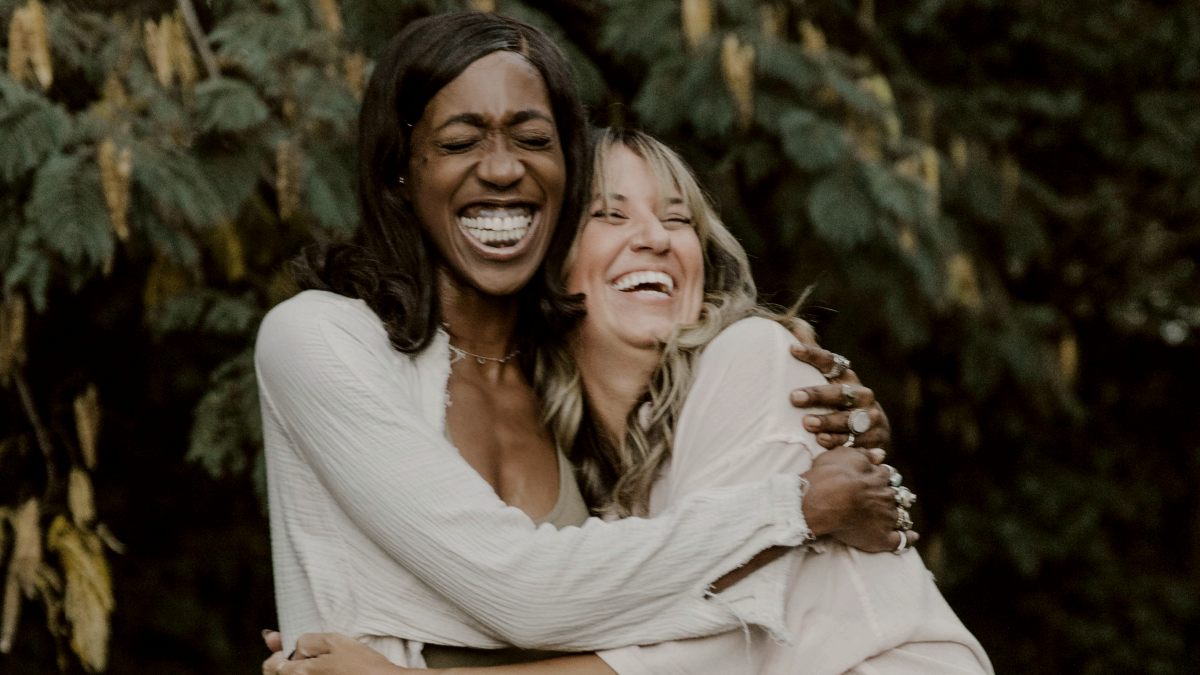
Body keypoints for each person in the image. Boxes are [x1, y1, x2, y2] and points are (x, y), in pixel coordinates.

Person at [256, 11, 906, 672]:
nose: (504, 168)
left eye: (533, 138)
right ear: (400, 171)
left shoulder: (571, 392)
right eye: (460, 141)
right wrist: (791, 508)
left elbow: (712, 631)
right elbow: (526, 593)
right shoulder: (321, 338)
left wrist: (834, 432)